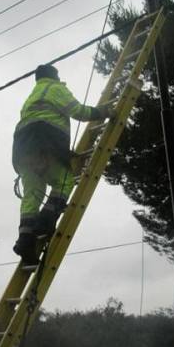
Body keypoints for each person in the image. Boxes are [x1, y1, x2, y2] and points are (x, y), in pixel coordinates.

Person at [12, 63, 113, 264]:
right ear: (54, 76)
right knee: (65, 182)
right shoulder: (55, 88)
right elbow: (78, 112)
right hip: (45, 143)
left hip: (23, 150)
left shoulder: (32, 96)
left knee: (32, 193)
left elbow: (40, 119)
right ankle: (46, 220)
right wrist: (103, 112)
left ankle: (25, 239)